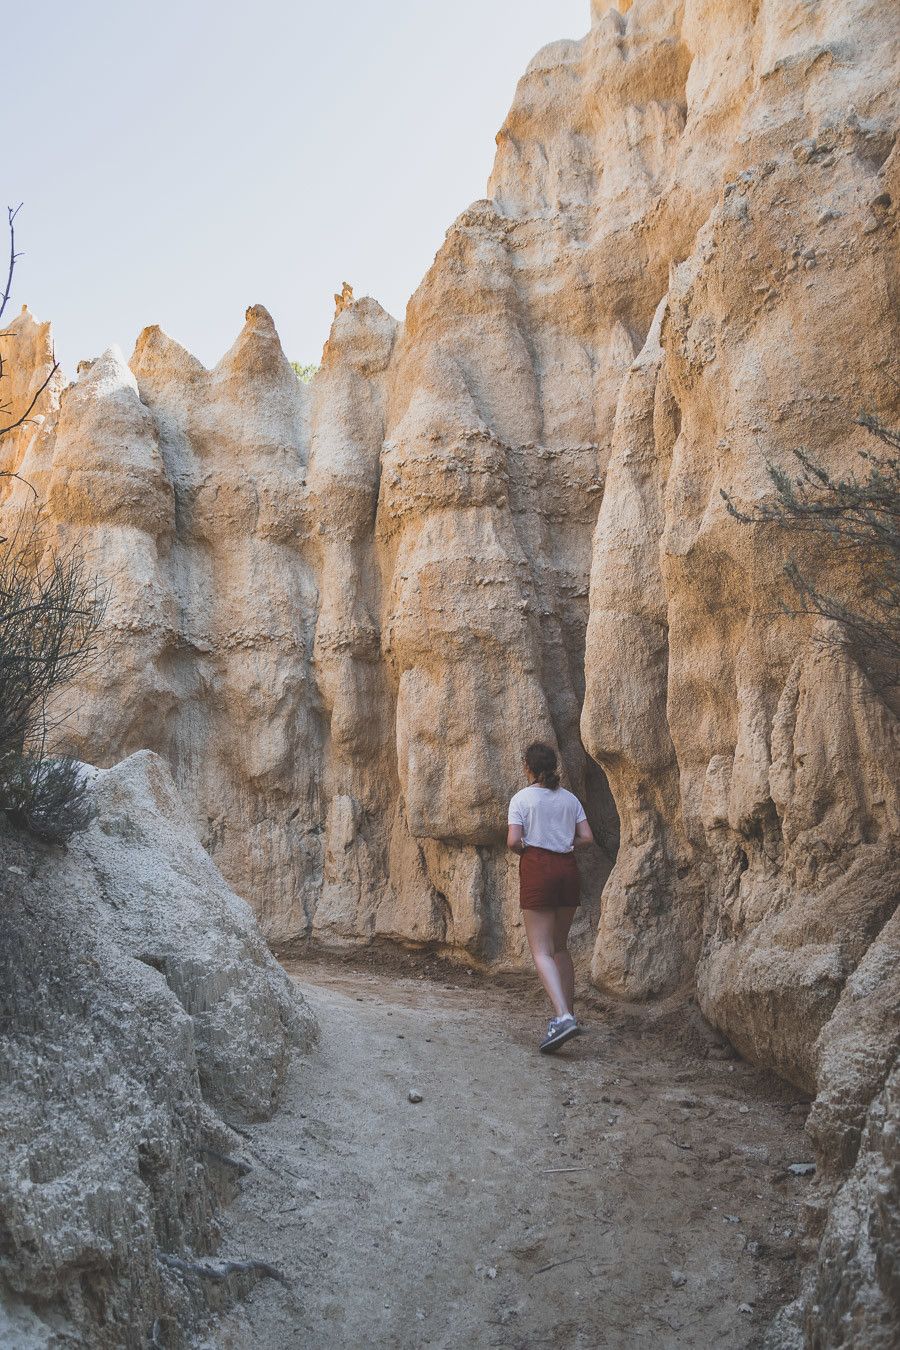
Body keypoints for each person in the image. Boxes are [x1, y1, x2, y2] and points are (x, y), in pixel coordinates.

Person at [507, 741, 594, 1053]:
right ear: (553, 767)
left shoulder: (522, 799)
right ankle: (567, 1013)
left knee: (540, 950)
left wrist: (527, 847)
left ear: (528, 768)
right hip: (567, 870)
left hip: (538, 869)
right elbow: (586, 837)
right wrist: (563, 841)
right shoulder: (570, 799)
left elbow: (514, 840)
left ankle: (563, 1017)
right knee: (560, 947)